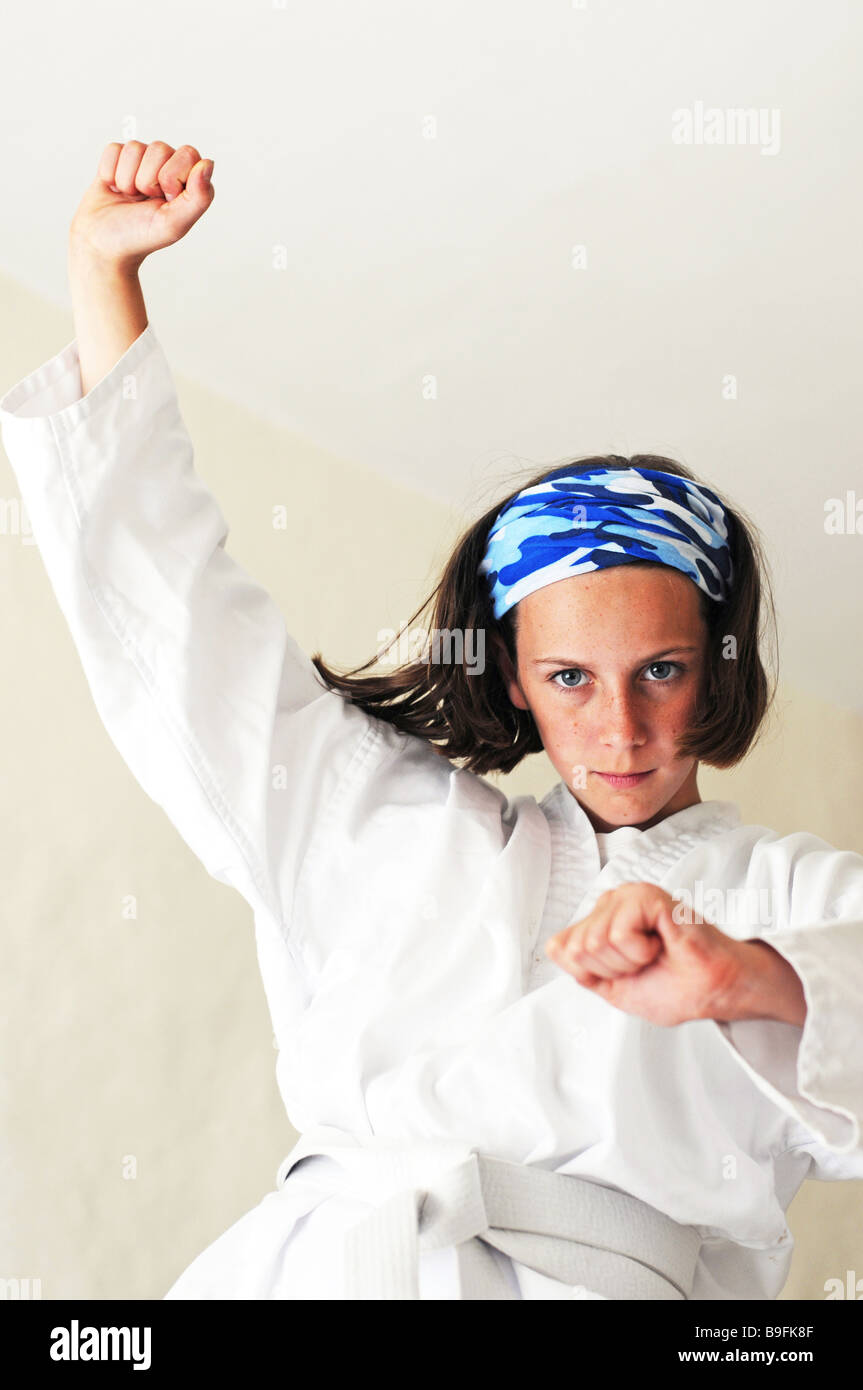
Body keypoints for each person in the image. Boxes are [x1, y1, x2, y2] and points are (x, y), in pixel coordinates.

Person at [2, 139, 862, 1302]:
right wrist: (104, 279)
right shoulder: (373, 818)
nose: (618, 728)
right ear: (511, 675)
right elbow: (181, 622)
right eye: (568, 677)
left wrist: (742, 980)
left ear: (712, 668)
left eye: (658, 669)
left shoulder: (796, 897)